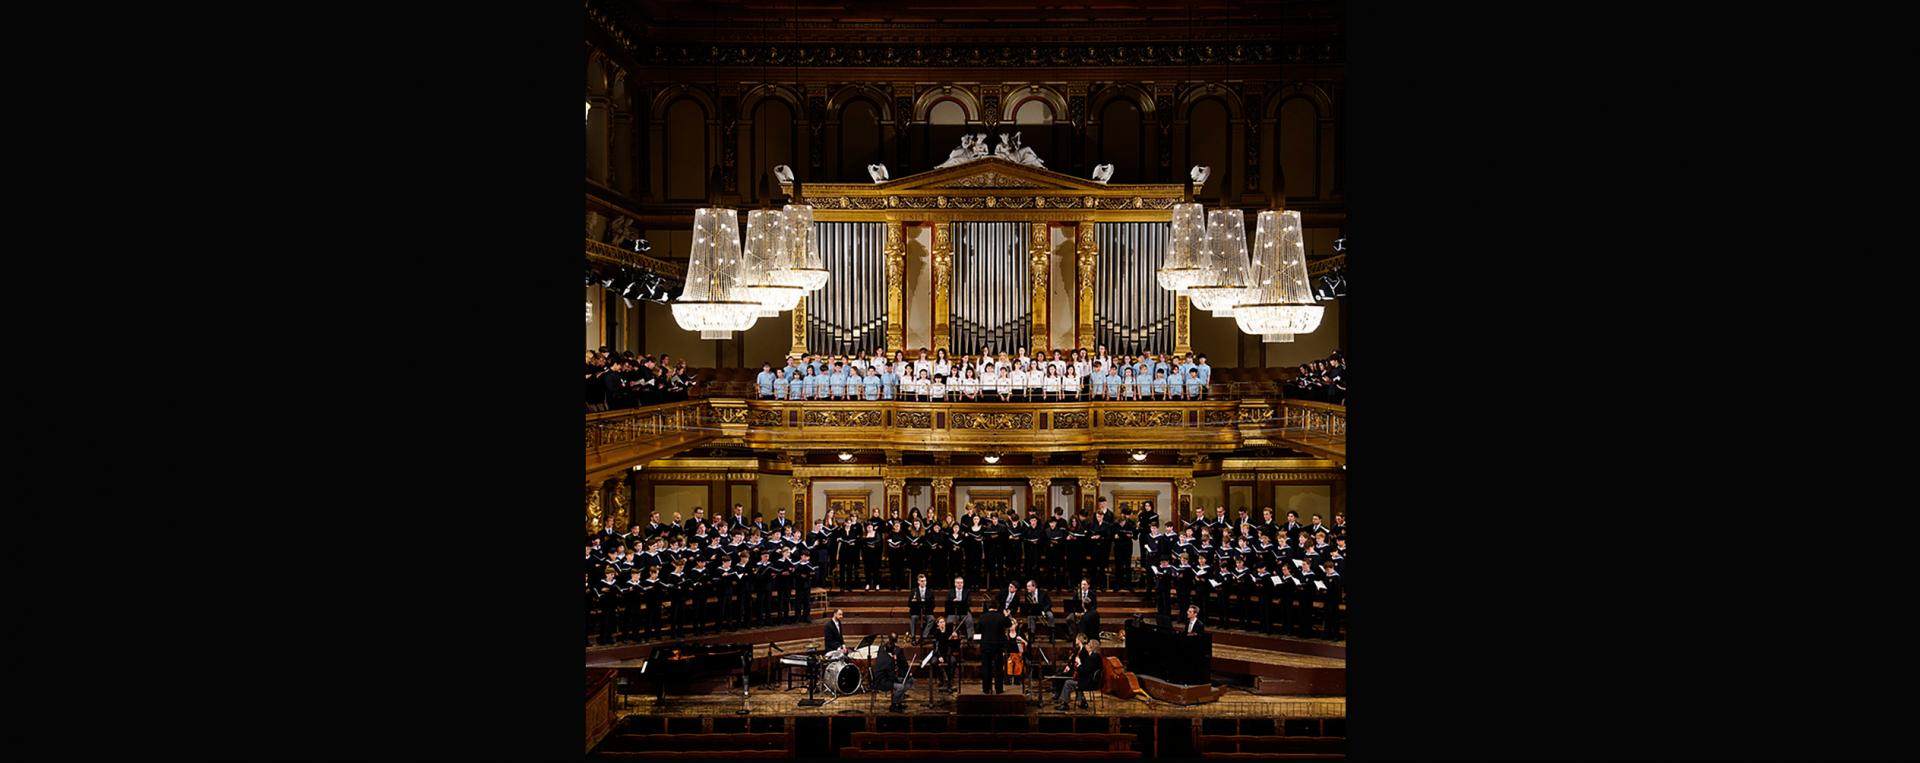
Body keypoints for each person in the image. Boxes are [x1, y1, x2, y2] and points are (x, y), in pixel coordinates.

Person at [1053, 634, 1100, 711]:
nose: (1086, 646)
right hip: (1089, 680)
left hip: (1089, 682)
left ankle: (1065, 704)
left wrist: (1079, 664)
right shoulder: (1095, 656)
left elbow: (1084, 671)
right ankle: (1082, 701)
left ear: (1091, 647)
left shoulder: (1092, 658)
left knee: (1068, 683)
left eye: (1088, 644)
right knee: (1075, 680)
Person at [873, 634, 912, 712]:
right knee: (901, 686)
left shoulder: (882, 651)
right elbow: (892, 677)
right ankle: (894, 705)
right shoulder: (889, 661)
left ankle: (898, 703)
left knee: (908, 681)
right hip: (881, 682)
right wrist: (899, 680)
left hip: (886, 678)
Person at [977, 605, 1011, 694]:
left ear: (988, 608)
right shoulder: (1001, 616)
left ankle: (986, 689)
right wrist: (1006, 616)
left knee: (986, 668)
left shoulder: (982, 617)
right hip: (998, 647)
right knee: (998, 669)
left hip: (986, 646)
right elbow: (1009, 624)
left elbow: (978, 629)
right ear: (997, 607)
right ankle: (999, 689)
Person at [907, 573, 934, 639]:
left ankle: (924, 636)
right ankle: (913, 637)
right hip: (916, 612)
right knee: (913, 618)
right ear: (918, 582)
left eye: (925, 581)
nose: (923, 582)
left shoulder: (930, 591)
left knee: (932, 619)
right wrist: (913, 602)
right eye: (922, 581)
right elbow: (909, 604)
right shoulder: (913, 591)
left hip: (926, 612)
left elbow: (933, 605)